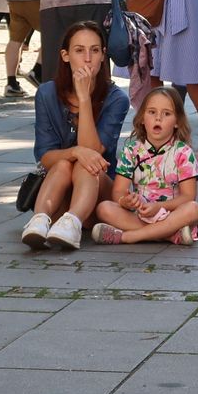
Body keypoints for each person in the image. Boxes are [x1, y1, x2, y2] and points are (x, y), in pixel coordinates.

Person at [22, 21, 130, 249]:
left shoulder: (117, 98)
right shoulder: (46, 93)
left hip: (100, 191)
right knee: (62, 164)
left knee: (86, 164)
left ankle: (72, 224)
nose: (88, 58)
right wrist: (74, 151)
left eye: (95, 50)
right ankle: (40, 220)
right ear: (66, 55)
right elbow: (44, 156)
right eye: (79, 50)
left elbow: (93, 152)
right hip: (59, 193)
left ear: (103, 56)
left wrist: (84, 98)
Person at [91, 86, 198, 245]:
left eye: (166, 114)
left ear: (177, 122)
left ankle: (128, 237)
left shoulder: (183, 153)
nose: (158, 118)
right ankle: (169, 234)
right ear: (142, 118)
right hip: (141, 216)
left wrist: (159, 206)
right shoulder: (131, 150)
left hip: (171, 214)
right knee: (104, 208)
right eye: (152, 112)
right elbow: (118, 191)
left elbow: (188, 197)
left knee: (194, 209)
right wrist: (125, 201)